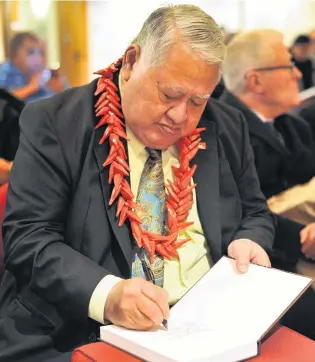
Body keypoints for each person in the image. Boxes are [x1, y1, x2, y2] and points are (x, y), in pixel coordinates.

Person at [0, 6, 275, 362]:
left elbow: (255, 211)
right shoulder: (56, 122)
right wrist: (108, 295)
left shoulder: (226, 124)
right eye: (169, 94)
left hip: (209, 328)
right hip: (81, 331)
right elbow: (29, 237)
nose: (180, 116)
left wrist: (249, 240)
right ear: (131, 62)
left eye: (197, 101)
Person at [0, 32, 68, 103]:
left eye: (39, 52)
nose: (37, 57)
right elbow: (3, 101)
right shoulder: (4, 72)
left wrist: (60, 90)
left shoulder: (44, 73)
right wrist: (31, 88)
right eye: (31, 52)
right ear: (15, 55)